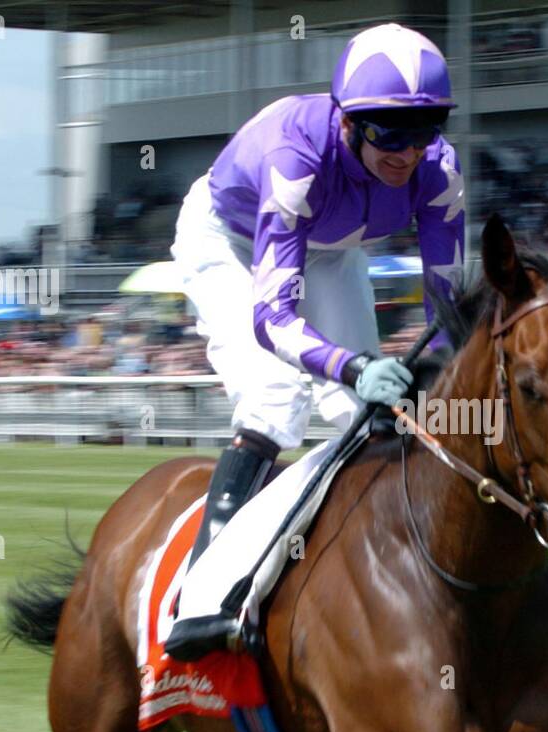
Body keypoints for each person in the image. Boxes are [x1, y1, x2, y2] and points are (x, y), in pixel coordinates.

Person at [168, 22, 465, 589]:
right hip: (228, 240)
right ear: (348, 123)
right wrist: (356, 365)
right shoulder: (295, 160)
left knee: (370, 414)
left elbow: (445, 312)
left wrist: (437, 389)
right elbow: (273, 320)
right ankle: (203, 587)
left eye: (425, 131)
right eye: (389, 133)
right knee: (276, 399)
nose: (407, 153)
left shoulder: (439, 173)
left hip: (333, 250)